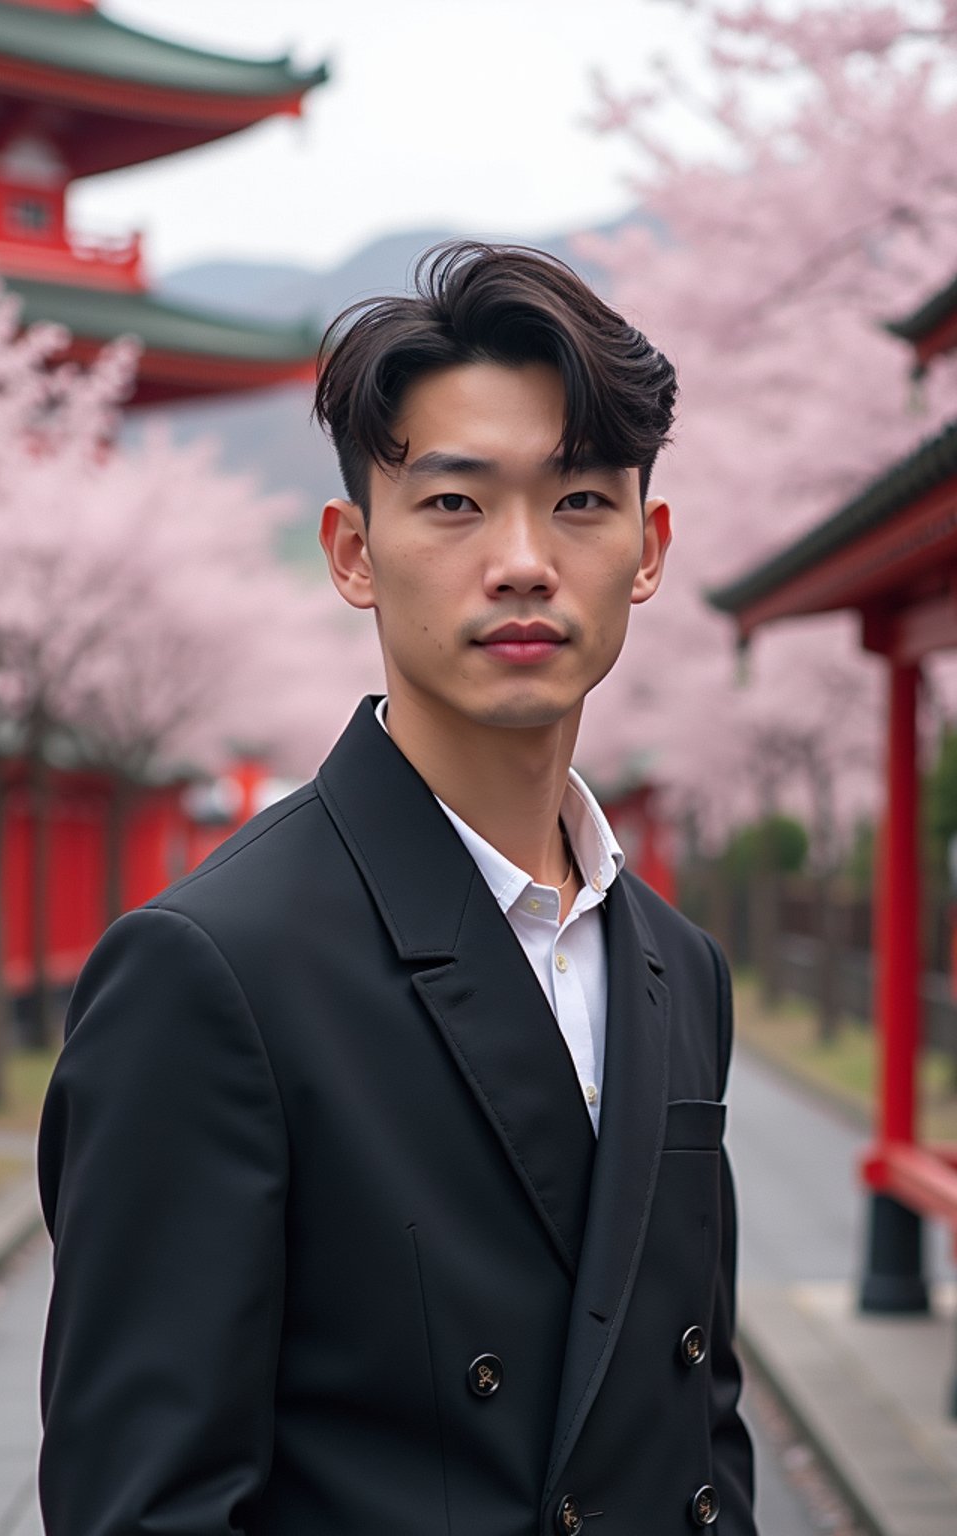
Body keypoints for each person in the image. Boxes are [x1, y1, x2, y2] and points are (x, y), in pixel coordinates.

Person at [38, 242, 757, 1536]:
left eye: (581, 502)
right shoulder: (213, 972)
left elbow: (700, 1431)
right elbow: (146, 1505)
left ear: (648, 551)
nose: (525, 561)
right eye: (454, 503)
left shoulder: (675, 962)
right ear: (352, 551)